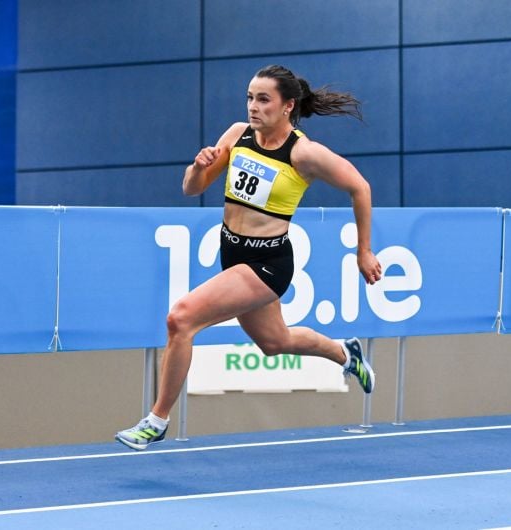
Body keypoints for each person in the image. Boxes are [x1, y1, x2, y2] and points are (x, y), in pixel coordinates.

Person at [115, 65, 382, 450]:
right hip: (233, 253)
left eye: (263, 99)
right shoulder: (237, 135)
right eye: (249, 98)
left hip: (267, 264)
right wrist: (199, 167)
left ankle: (156, 420)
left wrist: (364, 250)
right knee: (275, 342)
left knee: (181, 318)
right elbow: (192, 189)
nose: (253, 107)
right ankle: (345, 353)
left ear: (288, 106)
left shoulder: (304, 153)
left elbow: (361, 187)